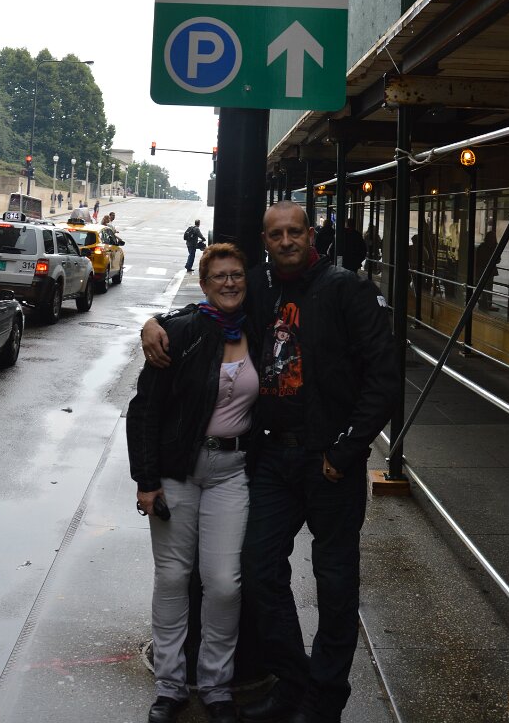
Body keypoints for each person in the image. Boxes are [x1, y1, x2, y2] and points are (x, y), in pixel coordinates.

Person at [143, 201, 399, 723]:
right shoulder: (262, 287)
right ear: (265, 241)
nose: (286, 241)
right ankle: (295, 682)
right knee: (257, 572)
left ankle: (324, 698)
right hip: (275, 456)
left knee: (335, 582)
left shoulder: (345, 289)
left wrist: (347, 449)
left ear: (311, 234)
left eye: (294, 232)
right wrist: (156, 321)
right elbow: (213, 307)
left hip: (329, 461)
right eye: (276, 234)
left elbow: (384, 376)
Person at [128, 243, 259, 723]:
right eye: (219, 276)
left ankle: (216, 685)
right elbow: (144, 408)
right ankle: (169, 685)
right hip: (177, 470)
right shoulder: (182, 332)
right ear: (204, 285)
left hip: (231, 472)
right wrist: (146, 481)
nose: (229, 283)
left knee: (223, 583)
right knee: (173, 577)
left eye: (236, 274)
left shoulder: (259, 330)